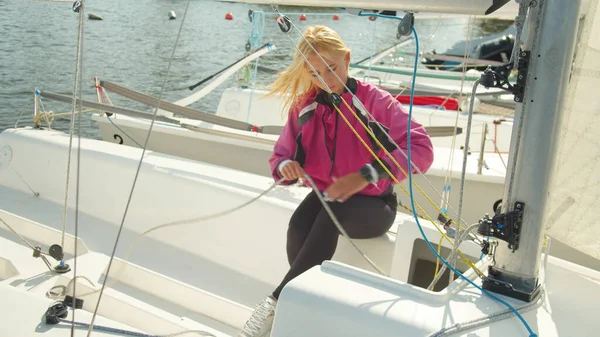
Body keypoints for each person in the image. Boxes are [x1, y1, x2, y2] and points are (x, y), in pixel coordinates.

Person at [238, 25, 434, 337]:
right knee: (298, 227)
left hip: (376, 203)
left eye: (332, 68)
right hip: (328, 194)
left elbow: (421, 149)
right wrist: (287, 166)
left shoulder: (375, 102)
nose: (326, 80)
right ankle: (305, 306)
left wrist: (366, 175)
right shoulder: (305, 106)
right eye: (316, 73)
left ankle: (277, 302)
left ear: (347, 58)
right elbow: (281, 155)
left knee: (330, 218)